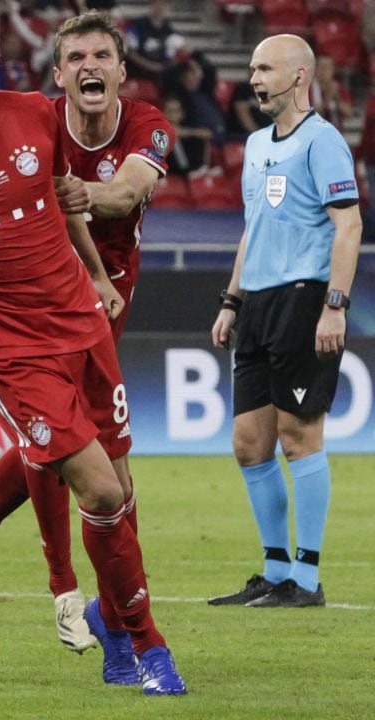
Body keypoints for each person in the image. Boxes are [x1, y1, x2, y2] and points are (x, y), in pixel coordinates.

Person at [0, 7, 185, 695]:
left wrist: (98, 279)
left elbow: (84, 198)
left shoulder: (38, 121)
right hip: (6, 345)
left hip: (82, 318)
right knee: (96, 485)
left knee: (116, 492)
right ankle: (147, 646)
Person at [209, 34, 361, 609]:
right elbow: (253, 229)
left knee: (300, 437)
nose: (254, 77)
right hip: (259, 303)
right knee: (250, 443)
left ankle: (307, 578)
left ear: (299, 76)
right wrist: (231, 300)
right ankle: (274, 571)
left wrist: (335, 304)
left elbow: (348, 227)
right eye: (250, 67)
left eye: (265, 68)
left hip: (305, 298)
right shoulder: (253, 145)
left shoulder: (323, 142)